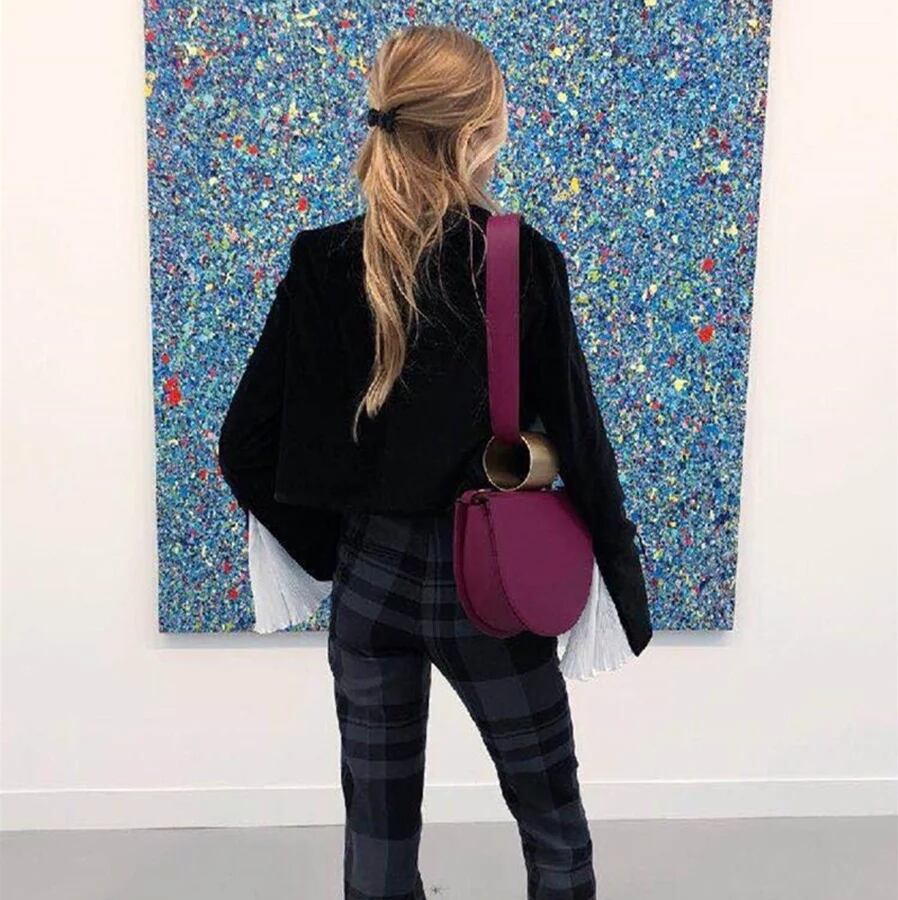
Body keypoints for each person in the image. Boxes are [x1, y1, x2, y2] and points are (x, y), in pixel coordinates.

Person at [217, 23, 652, 900]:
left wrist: (335, 548)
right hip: (489, 583)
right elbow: (580, 435)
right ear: (480, 132)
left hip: (369, 583)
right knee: (550, 817)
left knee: (377, 830)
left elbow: (243, 445)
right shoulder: (518, 257)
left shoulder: (322, 260)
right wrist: (618, 574)